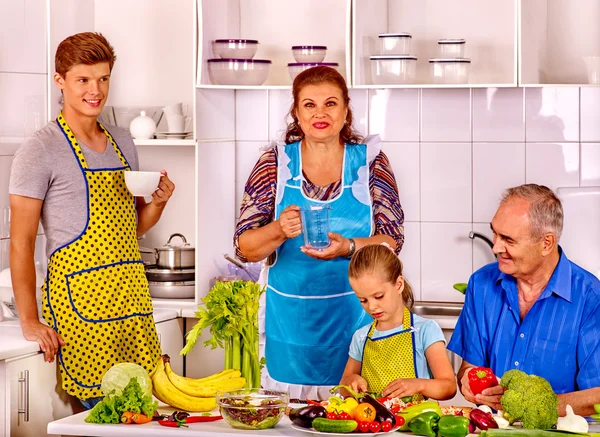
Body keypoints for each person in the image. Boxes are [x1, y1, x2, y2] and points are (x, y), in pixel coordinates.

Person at [9, 32, 175, 408]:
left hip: (131, 301)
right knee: (104, 416)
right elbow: (20, 241)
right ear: (60, 80)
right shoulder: (40, 149)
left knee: (139, 417)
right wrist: (29, 320)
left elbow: (128, 229)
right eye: (83, 79)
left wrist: (159, 203)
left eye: (103, 78)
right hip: (82, 309)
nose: (94, 90)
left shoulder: (122, 141)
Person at [234, 66, 405, 400]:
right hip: (291, 322)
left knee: (353, 415)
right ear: (296, 113)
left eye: (330, 103)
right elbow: (245, 247)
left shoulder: (370, 162)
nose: (320, 113)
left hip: (357, 315)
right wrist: (279, 229)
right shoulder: (275, 164)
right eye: (309, 105)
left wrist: (349, 247)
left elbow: (392, 240)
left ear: (345, 111)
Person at [448, 184, 600, 416]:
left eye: (508, 239)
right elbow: (470, 368)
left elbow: (597, 395)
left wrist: (533, 406)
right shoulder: (480, 285)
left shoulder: (590, 299)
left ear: (546, 243)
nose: (496, 247)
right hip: (493, 428)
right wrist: (468, 379)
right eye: (495, 233)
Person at [340, 244, 456, 400]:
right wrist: (351, 381)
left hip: (414, 423)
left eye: (379, 296)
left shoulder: (425, 330)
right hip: (373, 423)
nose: (372, 307)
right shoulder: (361, 337)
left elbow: (448, 387)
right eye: (363, 300)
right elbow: (343, 387)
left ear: (398, 284)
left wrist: (419, 385)